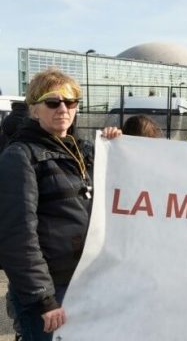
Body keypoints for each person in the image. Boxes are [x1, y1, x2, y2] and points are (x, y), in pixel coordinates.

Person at [0, 68, 121, 341]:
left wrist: (116, 148)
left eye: (71, 102)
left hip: (87, 281)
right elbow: (17, 235)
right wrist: (43, 299)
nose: (63, 108)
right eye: (52, 102)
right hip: (52, 290)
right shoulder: (20, 155)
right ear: (34, 110)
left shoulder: (84, 150)